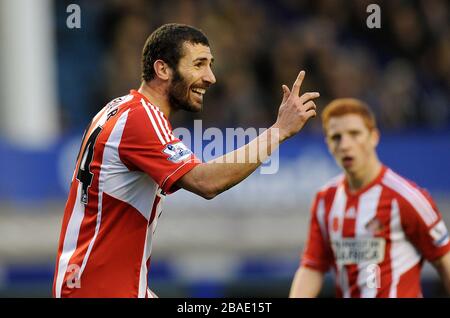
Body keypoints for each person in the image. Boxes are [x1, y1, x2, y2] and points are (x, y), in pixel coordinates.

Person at [53, 23, 320, 298]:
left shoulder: (115, 109)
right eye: (199, 64)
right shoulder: (140, 119)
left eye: (210, 64)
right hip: (100, 290)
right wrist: (278, 132)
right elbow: (206, 182)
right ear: (163, 69)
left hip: (92, 283)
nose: (211, 77)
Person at [289, 98, 450, 298]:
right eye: (336, 137)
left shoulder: (406, 197)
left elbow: (444, 259)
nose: (345, 144)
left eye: (354, 134)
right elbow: (312, 266)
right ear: (328, 144)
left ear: (373, 137)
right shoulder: (325, 199)